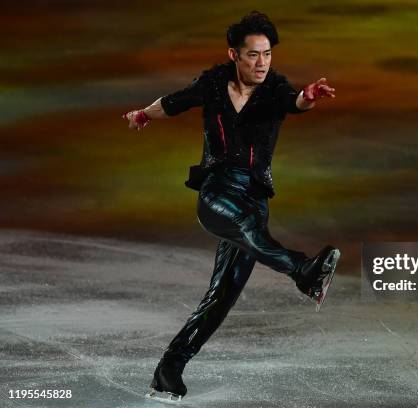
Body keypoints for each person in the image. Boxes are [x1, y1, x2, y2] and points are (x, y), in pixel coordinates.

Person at [122, 11, 341, 402]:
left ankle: (168, 369)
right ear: (234, 55)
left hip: (254, 200)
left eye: (268, 54)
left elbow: (294, 103)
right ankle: (303, 272)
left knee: (222, 295)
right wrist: (143, 113)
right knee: (243, 226)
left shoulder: (274, 88)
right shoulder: (212, 83)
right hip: (217, 191)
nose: (262, 63)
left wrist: (308, 96)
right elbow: (172, 103)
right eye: (254, 55)